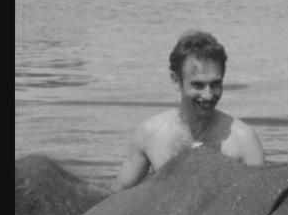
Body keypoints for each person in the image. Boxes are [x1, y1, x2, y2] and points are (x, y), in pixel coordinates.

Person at [112, 31, 265, 192]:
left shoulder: (244, 141)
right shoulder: (149, 134)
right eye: (198, 85)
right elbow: (117, 196)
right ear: (176, 80)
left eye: (215, 84)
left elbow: (262, 201)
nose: (208, 95)